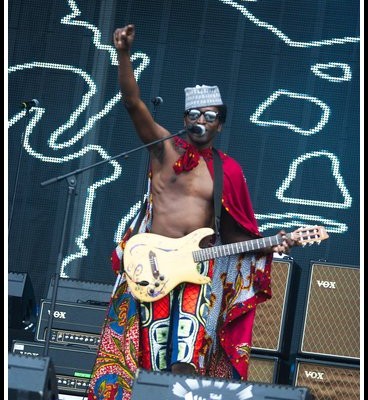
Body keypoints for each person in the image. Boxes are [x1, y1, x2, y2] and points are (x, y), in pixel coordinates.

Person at [87, 24, 296, 400]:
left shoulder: (226, 170)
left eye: (210, 115)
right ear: (185, 119)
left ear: (220, 123)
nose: (202, 120)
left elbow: (235, 236)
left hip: (195, 276)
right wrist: (122, 54)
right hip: (147, 269)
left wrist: (272, 245)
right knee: (142, 357)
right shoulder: (163, 151)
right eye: (195, 114)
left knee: (187, 357)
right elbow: (133, 103)